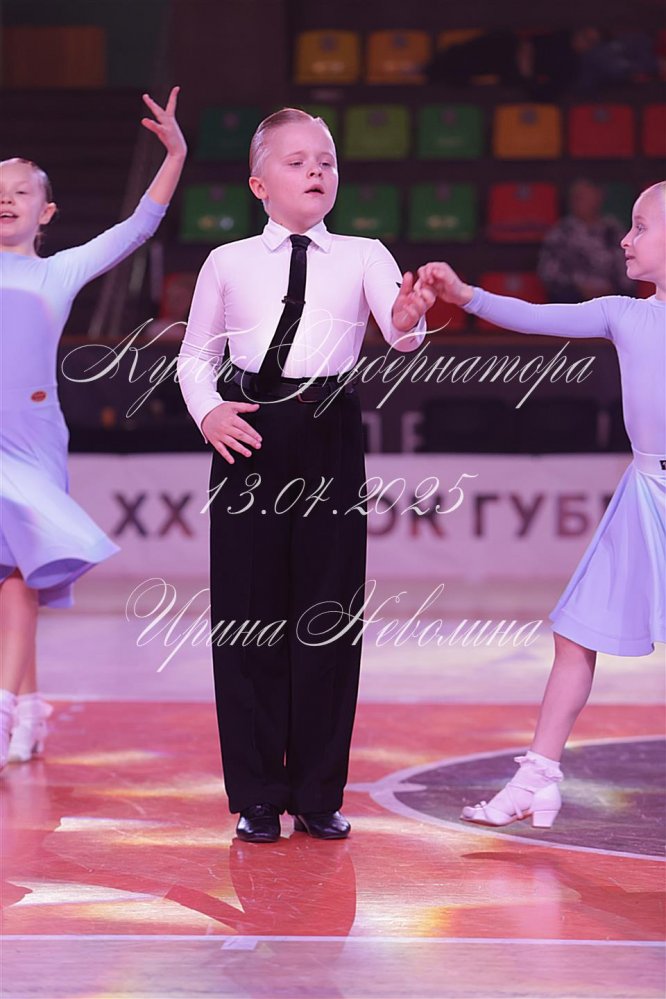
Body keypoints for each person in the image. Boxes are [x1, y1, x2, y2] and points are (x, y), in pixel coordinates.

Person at [177, 108, 435, 843]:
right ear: (259, 184)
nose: (316, 170)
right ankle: (257, 793)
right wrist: (208, 412)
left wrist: (409, 314)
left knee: (328, 612)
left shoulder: (364, 253)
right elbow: (195, 356)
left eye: (326, 160)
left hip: (329, 432)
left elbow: (404, 334)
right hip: (249, 433)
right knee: (248, 614)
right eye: (296, 161)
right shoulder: (227, 261)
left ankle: (319, 790)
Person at [418, 181, 665, 828]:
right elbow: (534, 316)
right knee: (576, 631)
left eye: (641, 227)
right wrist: (466, 296)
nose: (624, 239)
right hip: (645, 493)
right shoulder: (623, 313)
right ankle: (537, 778)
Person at [0, 87, 187, 771]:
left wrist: (174, 155)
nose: (7, 199)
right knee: (6, 579)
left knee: (18, 575)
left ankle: (5, 710)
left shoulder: (60, 270)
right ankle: (29, 707)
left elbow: (137, 228)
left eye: (21, 191)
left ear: (45, 211)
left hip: (31, 444)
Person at [538, 178, 634, 303]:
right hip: (572, 299)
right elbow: (549, 272)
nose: (577, 201)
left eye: (583, 196)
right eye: (575, 197)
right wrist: (580, 288)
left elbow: (627, 269)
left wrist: (609, 290)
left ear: (598, 196)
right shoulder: (561, 232)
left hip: (612, 298)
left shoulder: (613, 230)